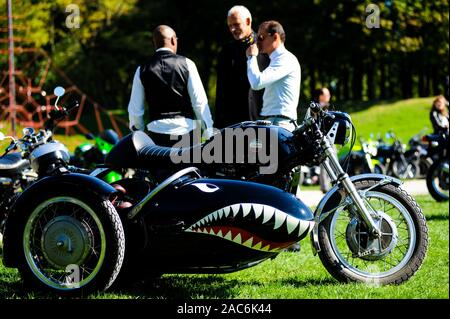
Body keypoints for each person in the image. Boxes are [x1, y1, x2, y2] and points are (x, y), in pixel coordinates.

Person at [128, 25, 214, 147]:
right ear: (173, 40)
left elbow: (135, 110)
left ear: (155, 43)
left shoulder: (142, 70)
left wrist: (138, 134)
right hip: (187, 131)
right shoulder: (187, 64)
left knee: (161, 167)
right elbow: (199, 102)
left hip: (156, 133)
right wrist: (208, 131)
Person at [215, 5, 270, 128]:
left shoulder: (265, 47)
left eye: (236, 24)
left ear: (248, 21)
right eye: (230, 26)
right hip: (233, 123)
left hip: (261, 119)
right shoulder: (226, 51)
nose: (233, 29)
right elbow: (221, 91)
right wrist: (217, 125)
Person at [246, 20, 301, 132]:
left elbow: (256, 83)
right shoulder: (277, 59)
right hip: (275, 122)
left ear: (275, 37)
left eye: (261, 37)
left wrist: (251, 57)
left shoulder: (285, 59)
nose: (258, 42)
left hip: (280, 124)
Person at [312, 87, 332, 193]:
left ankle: (333, 184)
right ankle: (324, 186)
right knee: (325, 162)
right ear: (320, 96)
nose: (329, 96)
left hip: (330, 138)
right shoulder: (315, 108)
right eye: (326, 94)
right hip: (321, 138)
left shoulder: (328, 107)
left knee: (333, 161)